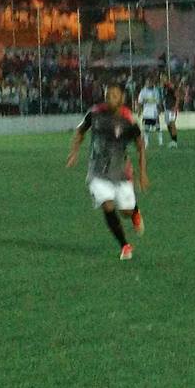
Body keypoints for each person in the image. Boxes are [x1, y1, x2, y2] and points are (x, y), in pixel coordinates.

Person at [66, 85, 149, 260]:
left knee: (125, 211)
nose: (111, 97)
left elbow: (140, 147)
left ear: (122, 98)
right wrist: (74, 152)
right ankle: (125, 245)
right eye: (108, 94)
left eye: (115, 95)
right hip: (97, 172)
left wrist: (142, 173)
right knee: (107, 204)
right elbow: (80, 131)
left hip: (121, 172)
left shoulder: (128, 119)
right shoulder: (95, 113)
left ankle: (134, 212)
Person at [137, 79, 164, 146]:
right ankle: (146, 142)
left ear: (152, 83)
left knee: (157, 127)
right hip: (146, 112)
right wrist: (139, 111)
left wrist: (159, 109)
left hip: (154, 111)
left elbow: (158, 101)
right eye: (148, 82)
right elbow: (140, 102)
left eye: (150, 82)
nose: (149, 84)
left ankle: (160, 142)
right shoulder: (143, 91)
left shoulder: (156, 90)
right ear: (146, 83)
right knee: (146, 128)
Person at [161, 80, 181, 148]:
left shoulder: (171, 89)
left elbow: (177, 97)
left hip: (172, 109)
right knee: (168, 125)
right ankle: (172, 140)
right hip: (167, 109)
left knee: (172, 124)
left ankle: (175, 142)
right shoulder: (164, 89)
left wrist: (175, 107)